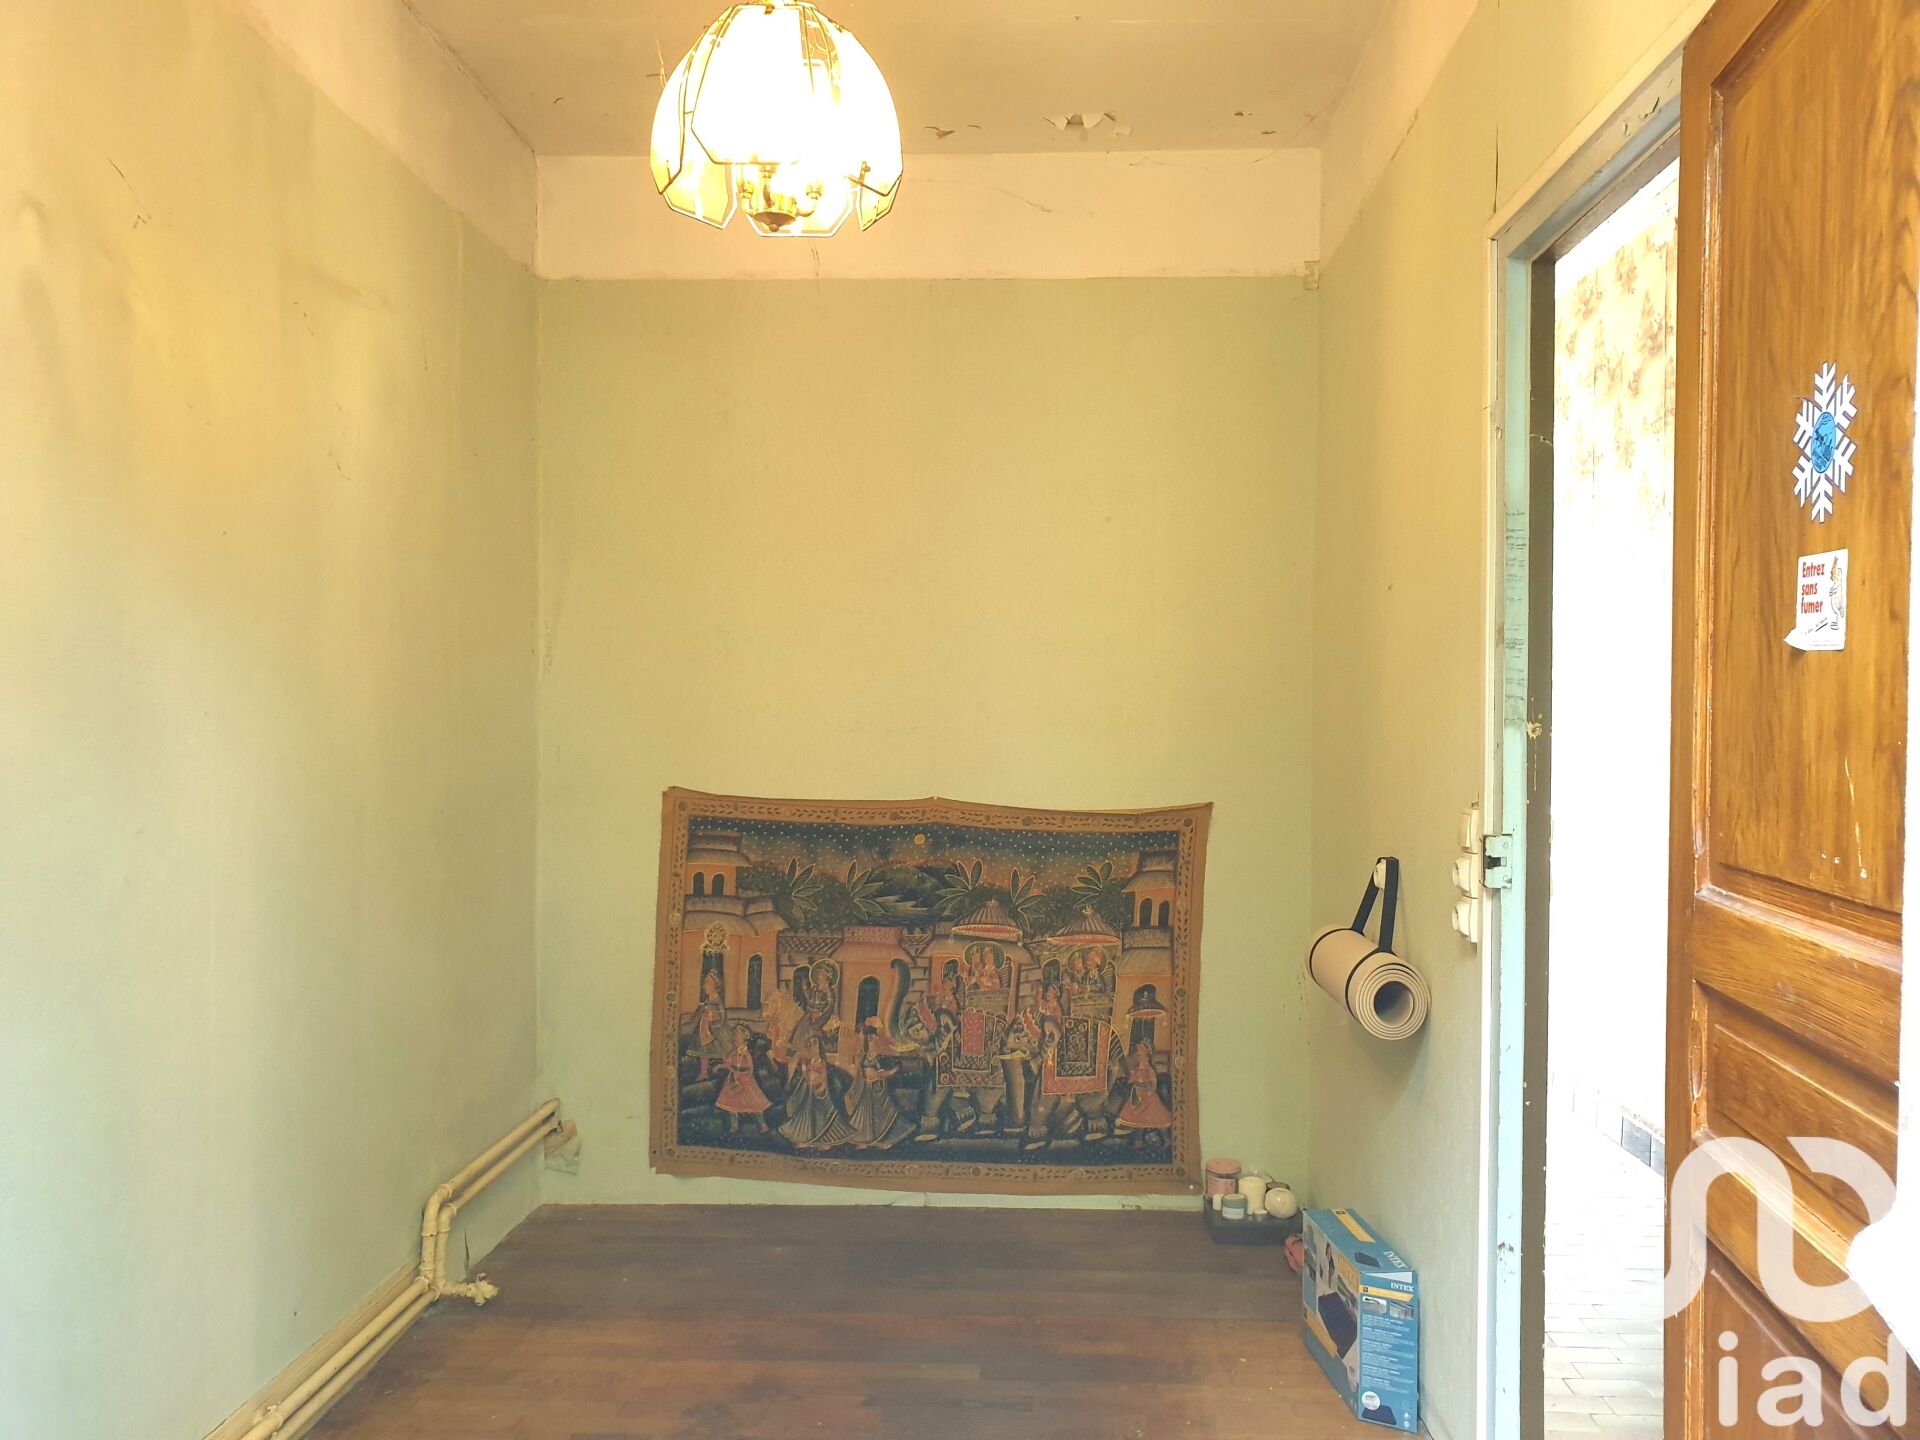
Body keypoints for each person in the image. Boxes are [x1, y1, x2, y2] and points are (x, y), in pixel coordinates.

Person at [778, 1035, 855, 1150]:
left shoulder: (822, 1062)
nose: (811, 1047)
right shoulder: (803, 1059)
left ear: (819, 1046)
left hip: (820, 1093)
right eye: (809, 1044)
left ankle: (823, 1141)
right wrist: (789, 1081)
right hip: (806, 1093)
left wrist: (818, 1089)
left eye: (814, 1044)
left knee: (821, 1117)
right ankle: (805, 1140)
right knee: (805, 1117)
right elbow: (792, 1065)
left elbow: (823, 1077)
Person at [844, 1019, 911, 1148]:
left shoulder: (874, 1056)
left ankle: (878, 1139)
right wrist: (890, 1072)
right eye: (872, 1048)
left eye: (875, 1048)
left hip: (875, 1089)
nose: (873, 1050)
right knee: (864, 1115)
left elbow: (879, 1071)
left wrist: (888, 1072)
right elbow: (869, 1070)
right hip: (866, 1089)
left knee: (879, 1114)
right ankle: (863, 1140)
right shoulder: (864, 1053)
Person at [714, 1025, 772, 1134]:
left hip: (746, 1081)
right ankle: (734, 1126)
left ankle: (763, 1125)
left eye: (738, 1035)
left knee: (755, 1103)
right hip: (733, 1080)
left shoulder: (746, 1053)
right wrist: (720, 1066)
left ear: (744, 1038)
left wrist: (746, 1078)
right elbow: (729, 1063)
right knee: (732, 1103)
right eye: (735, 1035)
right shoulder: (734, 1053)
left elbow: (750, 1067)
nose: (735, 1037)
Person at [1115, 1039, 1173, 1134]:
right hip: (1137, 1096)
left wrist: (1143, 1088)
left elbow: (1152, 1085)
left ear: (1145, 1055)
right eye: (1137, 1054)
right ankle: (1137, 1138)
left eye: (1139, 1054)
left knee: (1154, 1117)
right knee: (1135, 1116)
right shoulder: (1136, 1070)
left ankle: (1164, 1138)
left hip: (1148, 1097)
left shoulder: (1149, 1070)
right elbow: (1131, 1081)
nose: (1137, 1056)